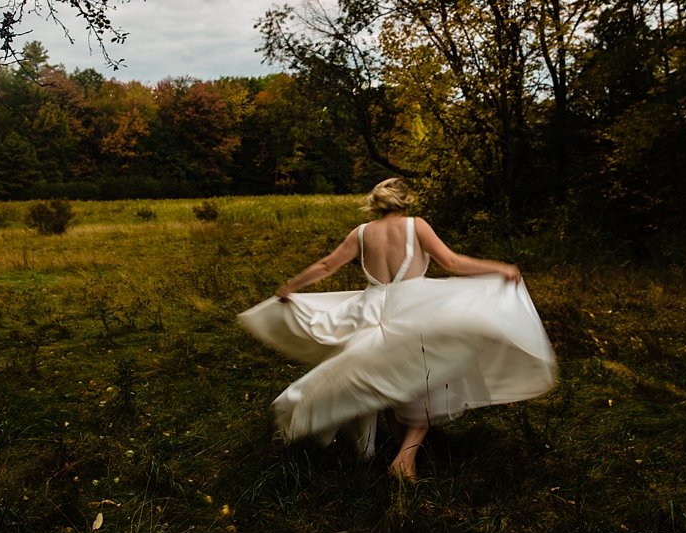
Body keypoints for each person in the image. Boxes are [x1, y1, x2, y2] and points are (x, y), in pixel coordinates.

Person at [238, 178, 557, 480]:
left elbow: (326, 265)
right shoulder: (416, 226)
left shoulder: (361, 233)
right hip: (415, 307)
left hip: (372, 310)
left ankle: (402, 451)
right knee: (426, 376)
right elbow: (453, 263)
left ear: (377, 204)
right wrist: (500, 268)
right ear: (406, 201)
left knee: (388, 379)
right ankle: (405, 458)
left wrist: (290, 288)